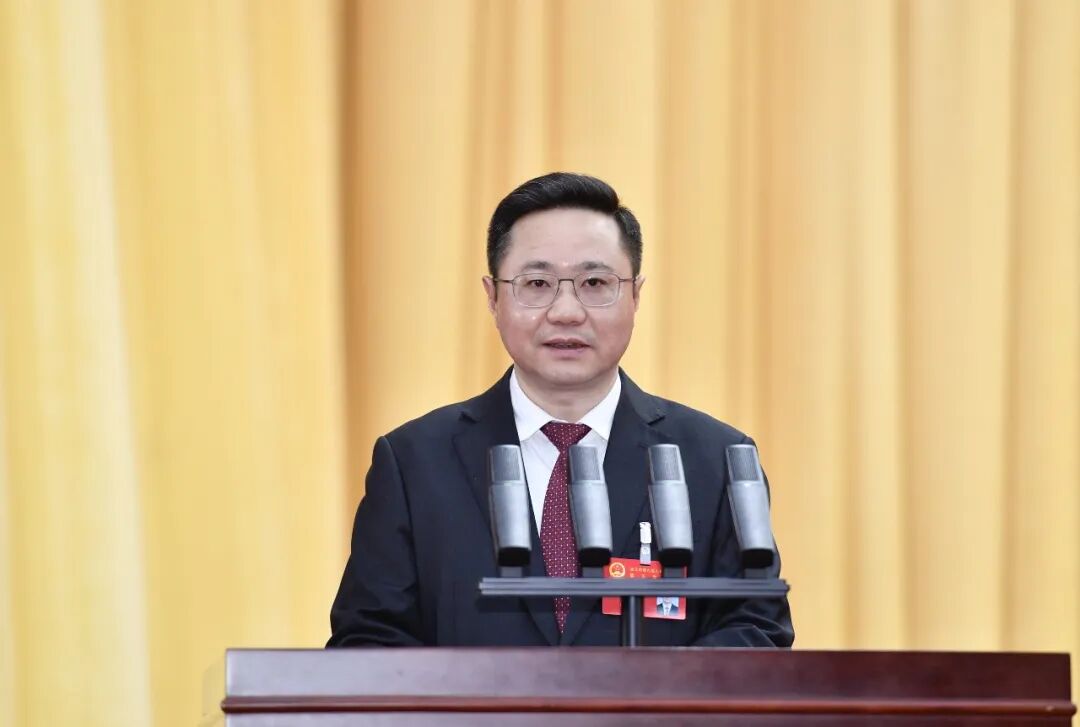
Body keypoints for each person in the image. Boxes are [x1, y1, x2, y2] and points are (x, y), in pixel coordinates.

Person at [328, 172, 794, 647]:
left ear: (636, 294)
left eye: (595, 282)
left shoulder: (713, 460)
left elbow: (758, 632)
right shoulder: (415, 462)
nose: (566, 311)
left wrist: (641, 692)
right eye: (537, 283)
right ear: (492, 297)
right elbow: (368, 640)